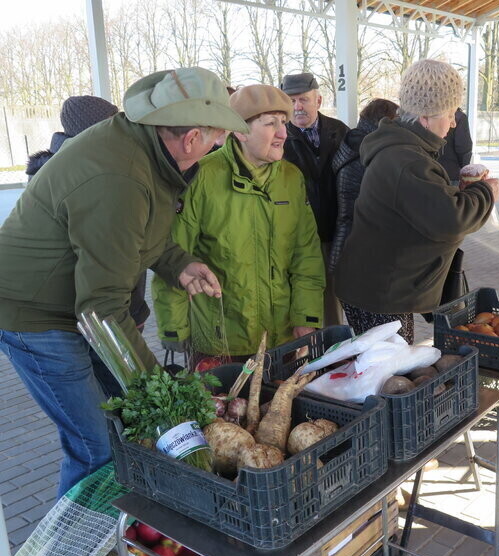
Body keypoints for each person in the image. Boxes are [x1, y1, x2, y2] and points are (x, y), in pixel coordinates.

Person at [0, 67, 248, 496]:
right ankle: (74, 554)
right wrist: (163, 392)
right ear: (190, 138)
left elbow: (136, 238)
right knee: (95, 448)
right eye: (214, 140)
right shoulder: (120, 176)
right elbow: (102, 308)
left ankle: (123, 526)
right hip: (36, 317)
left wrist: (178, 263)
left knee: (129, 422)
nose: (217, 147)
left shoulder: (143, 147)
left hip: (79, 307)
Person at [153, 84, 325, 365]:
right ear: (241, 132)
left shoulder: (291, 179)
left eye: (284, 122)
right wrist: (175, 330)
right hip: (219, 342)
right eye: (271, 124)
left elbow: (306, 256)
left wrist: (306, 317)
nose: (284, 133)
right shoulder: (202, 177)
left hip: (281, 339)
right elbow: (172, 257)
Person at [334, 59, 499, 343]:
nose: (454, 121)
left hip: (379, 287)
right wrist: (487, 192)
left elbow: (421, 206)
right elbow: (451, 220)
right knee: (388, 373)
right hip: (381, 294)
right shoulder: (405, 159)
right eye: (450, 113)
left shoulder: (404, 151)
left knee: (386, 365)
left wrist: (458, 191)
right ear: (425, 117)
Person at [25, 95, 151, 333]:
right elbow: (105, 251)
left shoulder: (111, 164)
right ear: (94, 128)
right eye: (112, 122)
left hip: (119, 305)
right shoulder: (86, 175)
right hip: (89, 315)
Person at [281, 72, 349, 326]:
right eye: (292, 101)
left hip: (334, 232)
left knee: (331, 302)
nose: (297, 107)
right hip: (294, 237)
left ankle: (333, 354)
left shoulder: (340, 132)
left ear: (318, 101)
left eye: (303, 100)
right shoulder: (279, 138)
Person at [329, 98, 399, 273]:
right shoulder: (368, 153)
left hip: (347, 243)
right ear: (384, 122)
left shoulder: (354, 141)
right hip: (357, 250)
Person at [437, 107, 472, 185]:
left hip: (427, 171)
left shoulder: (423, 114)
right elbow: (463, 147)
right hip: (450, 172)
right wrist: (464, 169)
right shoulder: (458, 116)